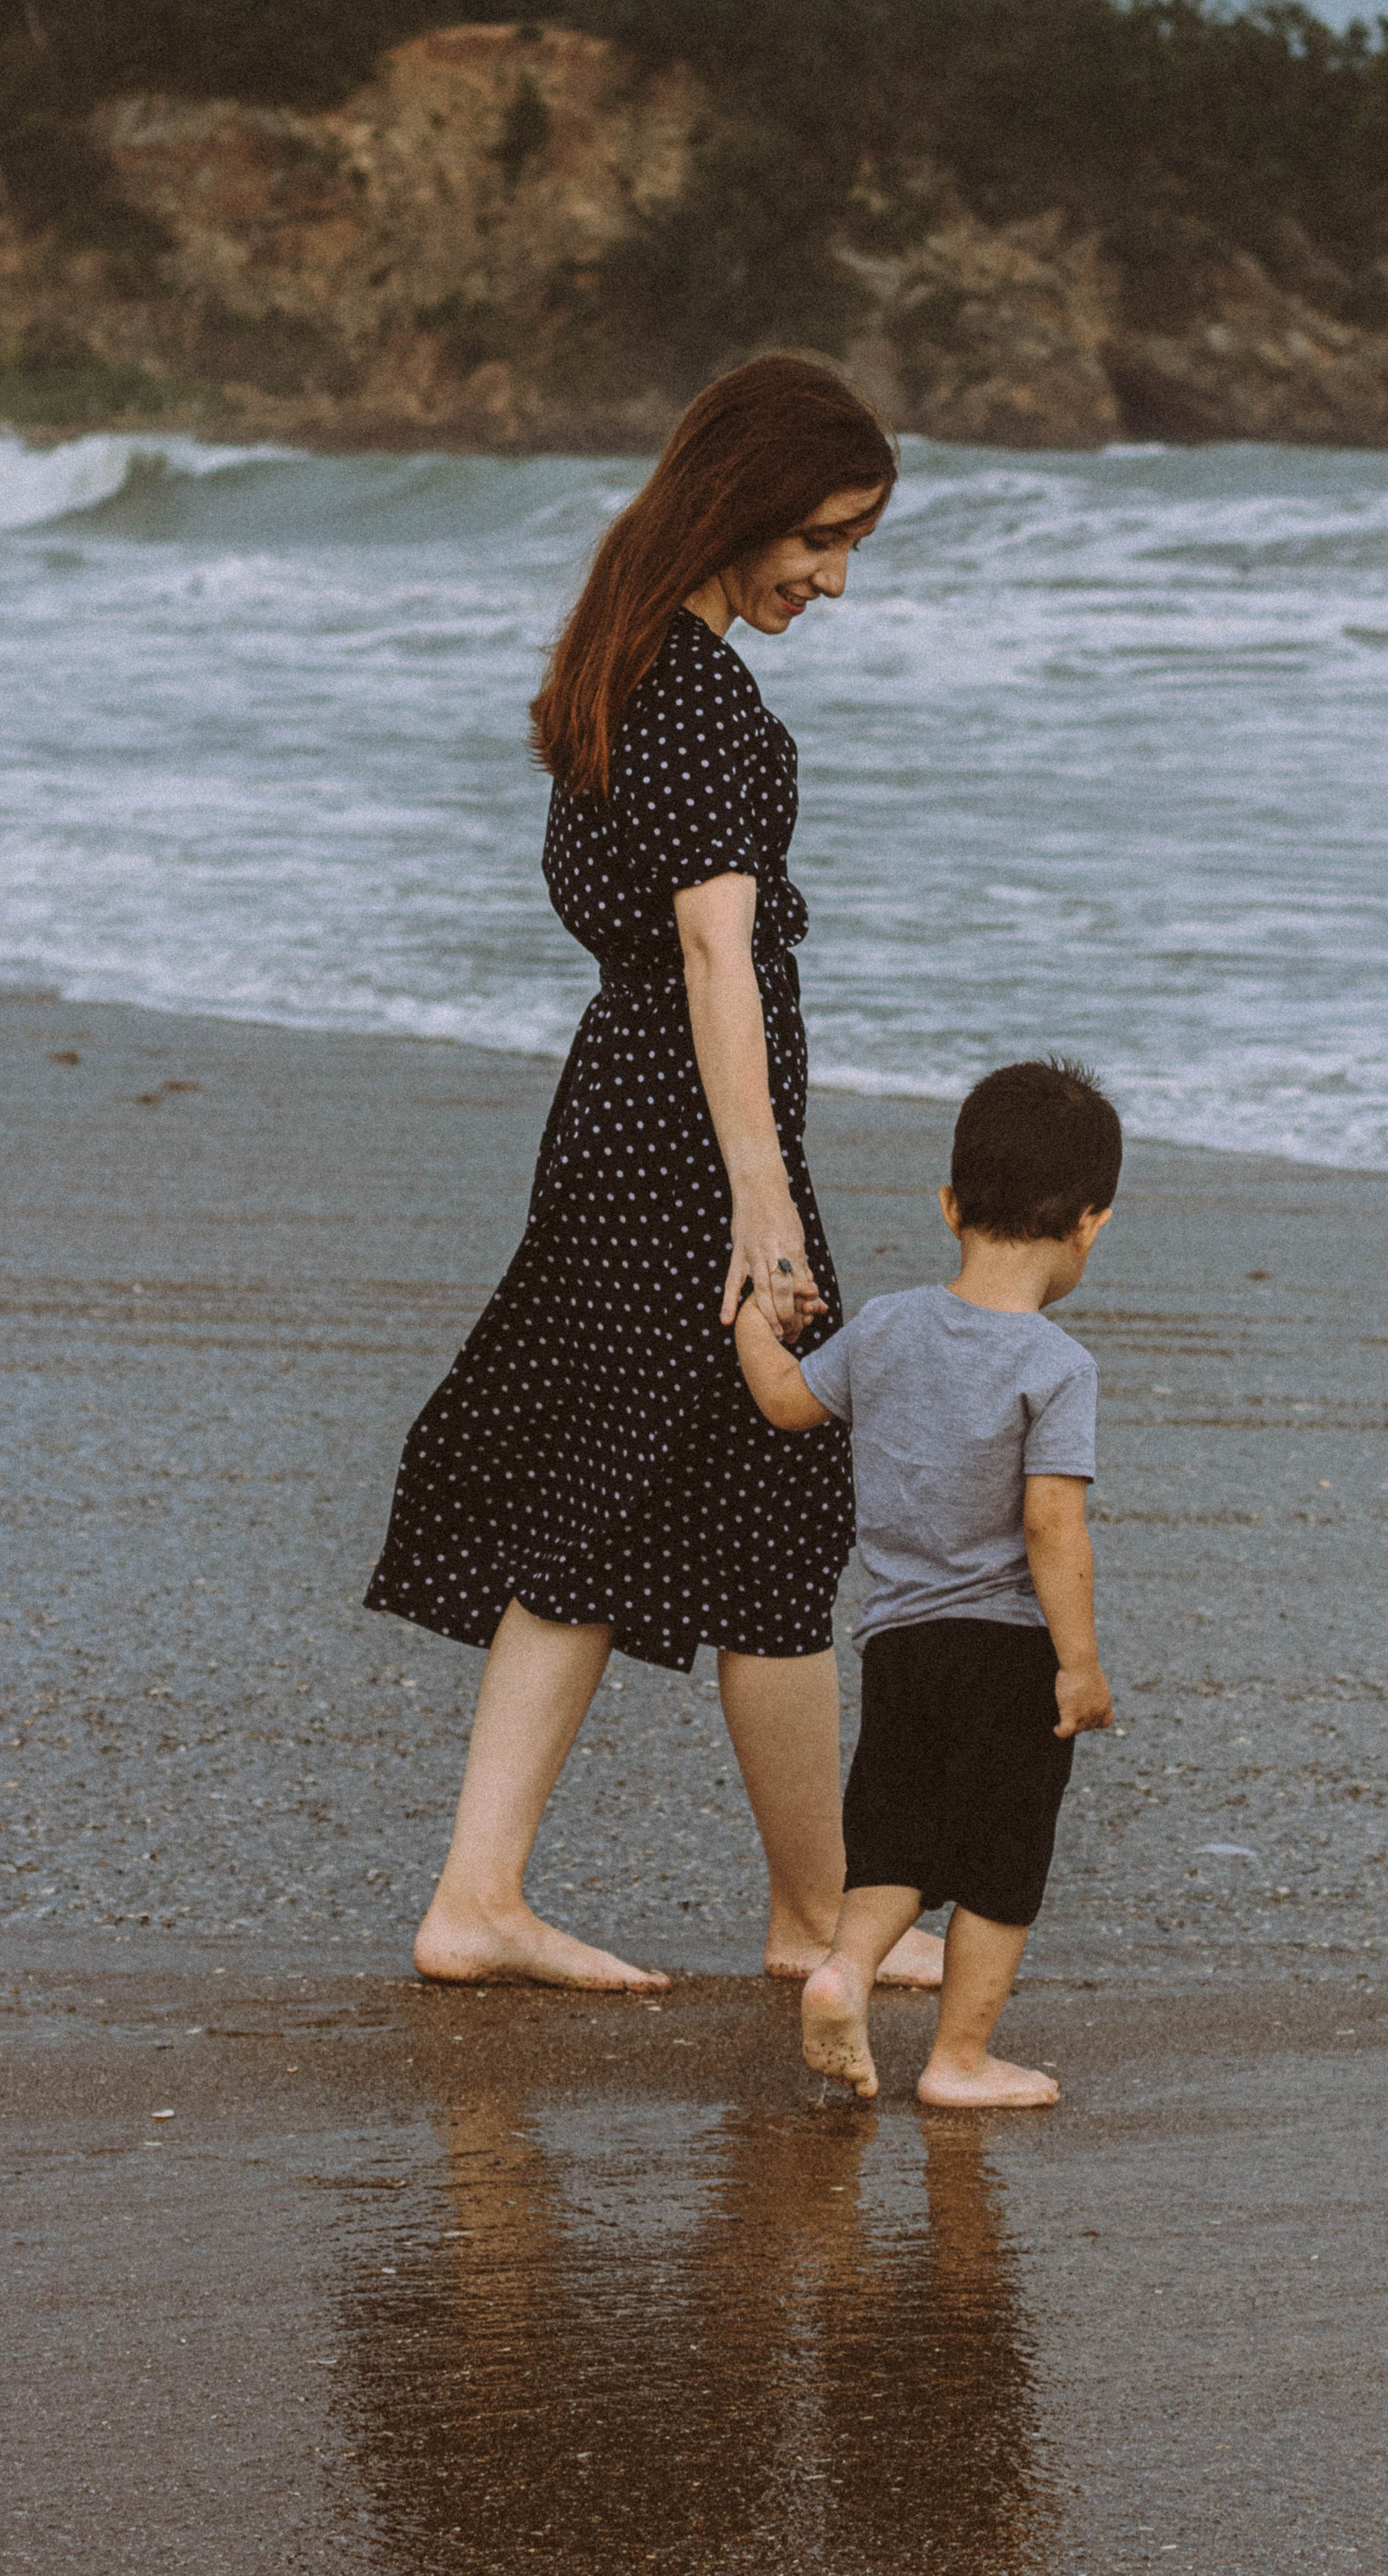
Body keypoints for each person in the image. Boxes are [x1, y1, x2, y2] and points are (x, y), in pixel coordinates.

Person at [364, 352, 944, 1996]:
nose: (830, 580)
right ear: (742, 500)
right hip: (685, 1150)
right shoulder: (693, 699)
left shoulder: (630, 667)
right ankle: (715, 1912)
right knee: (707, 1494)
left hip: (635, 1128)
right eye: (818, 539)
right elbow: (711, 959)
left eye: (853, 549)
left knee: (686, 1505)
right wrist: (762, 1204)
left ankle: (682, 1906)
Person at [733, 1058, 1120, 2106]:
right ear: (1090, 1225)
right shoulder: (1057, 1364)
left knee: (895, 1834)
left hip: (898, 1641)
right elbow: (1052, 1524)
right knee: (1002, 1860)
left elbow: (783, 1405)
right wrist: (1078, 1666)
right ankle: (958, 2060)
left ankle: (844, 1970)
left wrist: (750, 1321)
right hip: (1006, 1651)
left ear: (949, 1205)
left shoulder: (890, 1326)